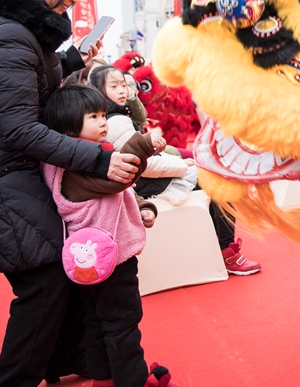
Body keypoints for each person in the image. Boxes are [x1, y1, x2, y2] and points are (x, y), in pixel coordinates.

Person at [0, 0, 142, 387]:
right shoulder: (8, 34)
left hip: (4, 173)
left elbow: (36, 98)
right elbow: (19, 127)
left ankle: (63, 361)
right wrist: (96, 159)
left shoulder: (18, 30)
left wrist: (72, 60)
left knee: (65, 271)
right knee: (48, 280)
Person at [40, 84, 177, 387]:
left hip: (90, 259)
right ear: (67, 123)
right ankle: (134, 380)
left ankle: (104, 377)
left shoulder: (76, 158)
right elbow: (116, 182)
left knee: (96, 319)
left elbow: (116, 193)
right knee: (122, 322)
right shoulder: (75, 163)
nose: (103, 122)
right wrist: (144, 144)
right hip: (110, 258)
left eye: (103, 114)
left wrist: (143, 206)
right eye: (94, 116)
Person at [90, 65, 262, 275]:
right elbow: (146, 166)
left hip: (145, 180)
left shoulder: (118, 116)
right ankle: (227, 251)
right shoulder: (117, 121)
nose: (122, 90)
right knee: (222, 183)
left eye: (124, 85)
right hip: (146, 183)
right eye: (114, 86)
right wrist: (182, 166)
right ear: (99, 91)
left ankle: (217, 246)